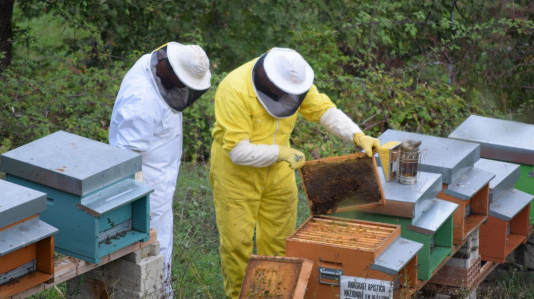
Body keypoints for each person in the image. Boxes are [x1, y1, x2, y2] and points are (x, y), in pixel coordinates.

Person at [210, 47, 380, 298]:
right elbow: (237, 150)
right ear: (267, 79)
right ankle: (239, 295)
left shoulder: (293, 82)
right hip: (237, 175)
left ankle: (273, 294)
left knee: (279, 243)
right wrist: (282, 153)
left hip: (279, 173)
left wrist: (357, 134)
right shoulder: (234, 88)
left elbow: (324, 110)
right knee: (237, 246)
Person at [109, 42, 211, 296]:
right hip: (146, 193)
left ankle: (160, 292)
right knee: (152, 253)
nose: (183, 87)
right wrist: (140, 204)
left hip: (160, 184)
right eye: (182, 80)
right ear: (169, 68)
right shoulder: (141, 101)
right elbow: (126, 159)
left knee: (160, 251)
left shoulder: (154, 67)